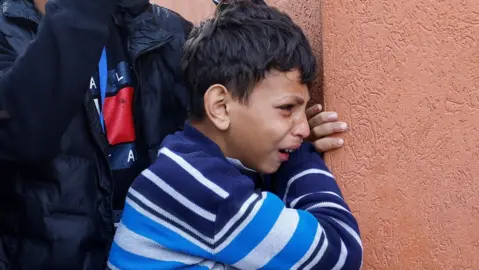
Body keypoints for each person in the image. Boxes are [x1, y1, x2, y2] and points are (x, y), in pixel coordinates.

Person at [0, 0, 347, 269]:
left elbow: (236, 113)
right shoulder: (7, 33)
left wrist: (289, 135)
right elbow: (26, 132)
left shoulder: (160, 29)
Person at [108, 1, 362, 269]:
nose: (304, 129)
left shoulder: (186, 165)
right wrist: (299, 155)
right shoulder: (203, 188)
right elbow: (340, 253)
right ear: (220, 107)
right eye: (287, 108)